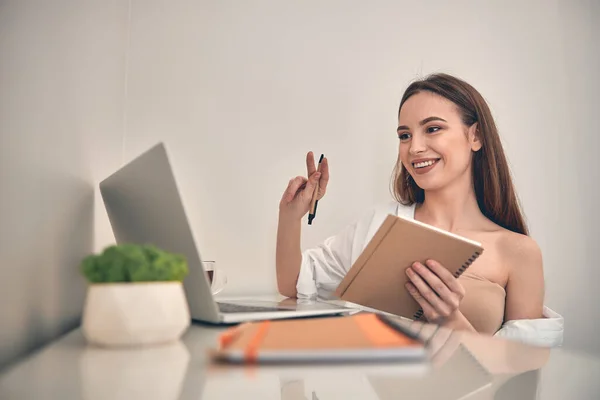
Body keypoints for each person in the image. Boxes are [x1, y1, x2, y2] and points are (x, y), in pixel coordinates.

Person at [275, 73, 563, 347]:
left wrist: (450, 320)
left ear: (475, 136)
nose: (415, 148)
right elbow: (295, 284)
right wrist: (290, 217)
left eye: (433, 129)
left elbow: (523, 373)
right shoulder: (380, 225)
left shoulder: (518, 252)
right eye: (404, 135)